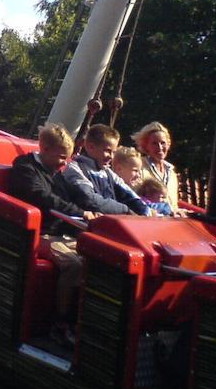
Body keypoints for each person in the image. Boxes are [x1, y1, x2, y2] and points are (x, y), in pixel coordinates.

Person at [10, 124, 96, 348]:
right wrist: (79, 213)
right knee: (74, 264)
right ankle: (60, 323)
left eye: (66, 158)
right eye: (60, 157)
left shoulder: (57, 175)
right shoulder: (25, 168)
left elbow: (74, 198)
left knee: (96, 259)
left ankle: (83, 320)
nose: (63, 163)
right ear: (44, 149)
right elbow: (42, 197)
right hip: (38, 232)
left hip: (62, 231)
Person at [63, 124, 152, 216]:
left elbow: (129, 195)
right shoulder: (75, 168)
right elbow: (88, 199)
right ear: (90, 147)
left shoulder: (108, 172)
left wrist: (145, 211)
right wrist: (124, 210)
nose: (111, 157)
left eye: (113, 152)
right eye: (107, 151)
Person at [132, 121, 180, 209]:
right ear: (146, 146)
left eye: (163, 143)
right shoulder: (139, 168)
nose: (160, 147)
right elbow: (135, 197)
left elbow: (174, 204)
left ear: (168, 144)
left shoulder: (172, 173)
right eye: (154, 143)